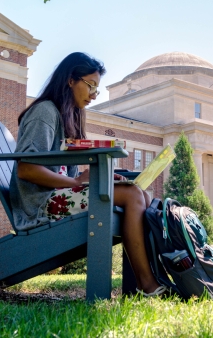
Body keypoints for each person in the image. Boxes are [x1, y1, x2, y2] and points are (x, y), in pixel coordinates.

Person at [9, 52, 166, 297]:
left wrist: (96, 178)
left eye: (97, 89)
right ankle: (147, 285)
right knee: (134, 196)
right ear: (71, 80)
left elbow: (66, 171)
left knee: (142, 195)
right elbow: (26, 168)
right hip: (40, 206)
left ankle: (149, 280)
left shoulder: (67, 116)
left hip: (56, 198)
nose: (93, 94)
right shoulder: (45, 112)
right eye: (90, 85)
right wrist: (75, 181)